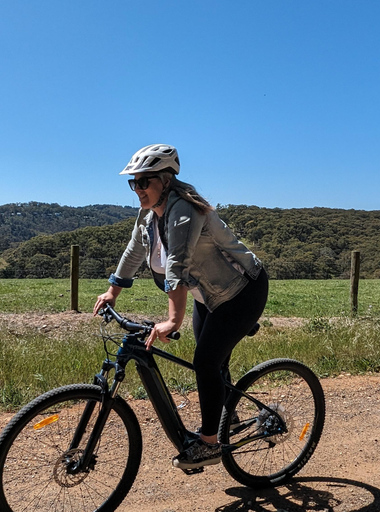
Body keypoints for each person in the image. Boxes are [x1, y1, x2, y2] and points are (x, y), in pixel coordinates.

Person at [93, 144, 269, 470]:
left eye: (144, 182)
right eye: (133, 183)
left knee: (205, 361)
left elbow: (178, 262)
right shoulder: (149, 215)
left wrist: (173, 320)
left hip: (242, 291)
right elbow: (134, 250)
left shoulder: (185, 210)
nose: (138, 189)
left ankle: (209, 445)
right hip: (210, 295)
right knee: (212, 360)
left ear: (165, 180)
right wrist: (112, 291)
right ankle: (227, 420)